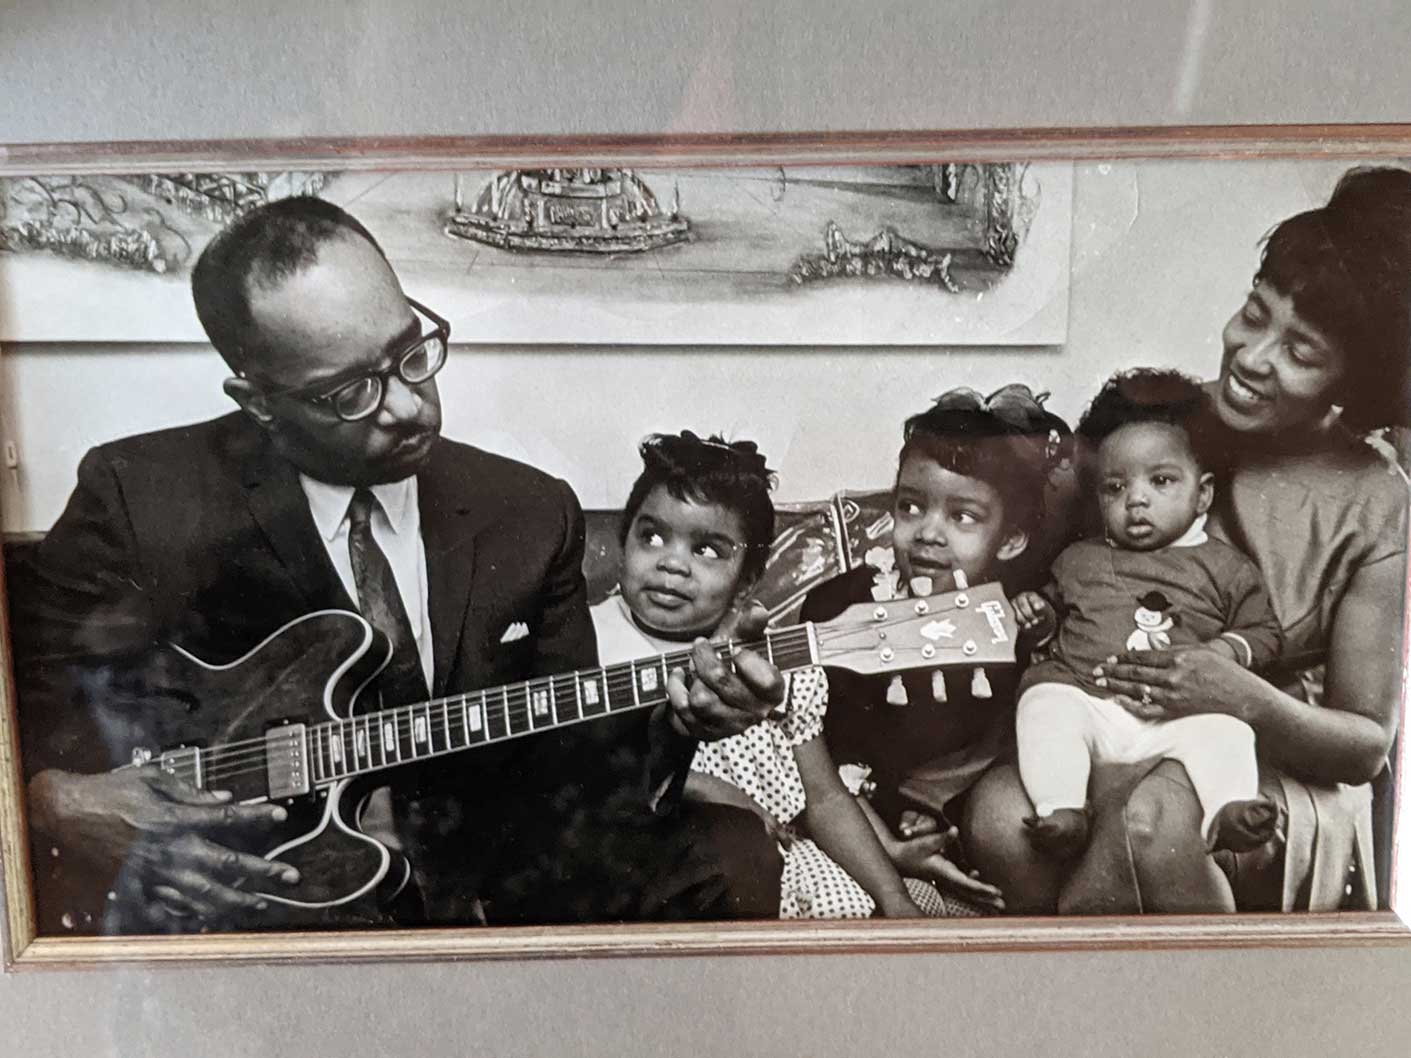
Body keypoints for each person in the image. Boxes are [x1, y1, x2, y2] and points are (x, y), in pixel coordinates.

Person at [14, 196, 785, 933]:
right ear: (257, 401)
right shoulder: (139, 495)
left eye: (411, 351)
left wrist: (676, 725)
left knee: (726, 854)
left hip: (484, 869)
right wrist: (56, 804)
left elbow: (565, 766)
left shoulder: (527, 510)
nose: (411, 406)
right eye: (350, 391)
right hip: (263, 890)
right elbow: (36, 720)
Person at [965, 166, 1411, 914]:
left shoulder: (1375, 500)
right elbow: (1034, 595)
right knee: (1000, 820)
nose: (1251, 356)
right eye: (1253, 313)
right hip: (1107, 717)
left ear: (1353, 382)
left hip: (1257, 758)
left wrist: (1242, 697)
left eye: (1300, 353)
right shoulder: (1151, 426)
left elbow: (1364, 744)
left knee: (1154, 824)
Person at [591, 431, 924, 918]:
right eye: (652, 536)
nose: (672, 563)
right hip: (666, 865)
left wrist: (894, 897)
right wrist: (703, 787)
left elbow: (826, 800)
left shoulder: (772, 663)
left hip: (789, 860)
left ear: (747, 580)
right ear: (623, 545)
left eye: (707, 550)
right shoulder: (585, 641)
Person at [798, 385, 1074, 915]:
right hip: (852, 824)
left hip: (954, 833)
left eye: (962, 517)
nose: (928, 533)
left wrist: (941, 822)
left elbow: (1003, 754)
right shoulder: (840, 605)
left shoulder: (1013, 622)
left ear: (1011, 541)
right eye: (911, 506)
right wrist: (891, 840)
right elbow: (821, 761)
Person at [1011, 369, 1283, 863]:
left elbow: (1264, 634)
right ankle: (1063, 806)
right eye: (1115, 488)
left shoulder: (1225, 566)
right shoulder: (1079, 559)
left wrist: (1225, 651)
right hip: (1088, 702)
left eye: (1160, 481)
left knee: (1227, 730)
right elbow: (1053, 614)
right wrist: (1037, 616)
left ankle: (1228, 807)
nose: (1136, 500)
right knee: (1044, 703)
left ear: (1202, 494)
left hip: (1175, 716)